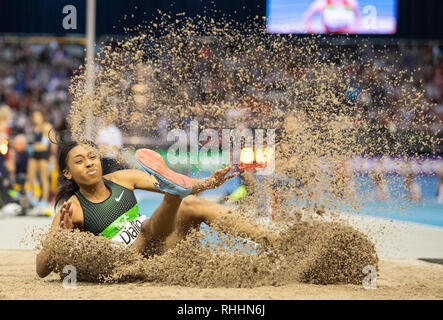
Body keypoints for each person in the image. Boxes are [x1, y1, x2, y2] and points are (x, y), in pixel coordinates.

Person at [36, 139, 276, 278]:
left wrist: (209, 183)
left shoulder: (123, 178)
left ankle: (274, 240)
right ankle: (173, 194)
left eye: (92, 157)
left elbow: (183, 187)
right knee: (146, 228)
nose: (89, 163)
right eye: (79, 161)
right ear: (67, 173)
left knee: (190, 204)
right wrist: (62, 236)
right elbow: (41, 270)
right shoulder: (71, 210)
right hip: (130, 262)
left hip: (163, 249)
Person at [26, 110, 55, 209]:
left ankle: (44, 200)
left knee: (43, 178)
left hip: (44, 155)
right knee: (30, 177)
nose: (35, 119)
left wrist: (52, 158)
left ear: (42, 116)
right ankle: (33, 198)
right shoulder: (34, 127)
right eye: (34, 117)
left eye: (37, 116)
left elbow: (44, 146)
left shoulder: (46, 127)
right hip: (34, 155)